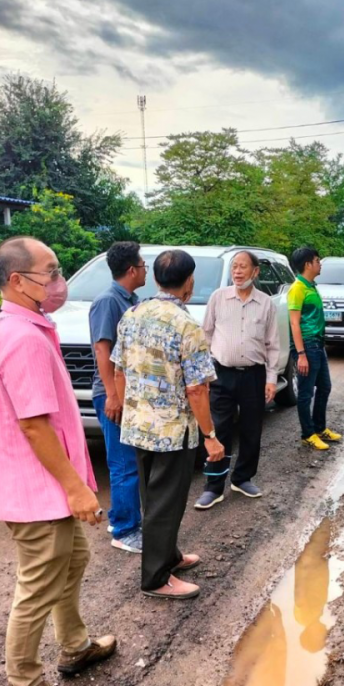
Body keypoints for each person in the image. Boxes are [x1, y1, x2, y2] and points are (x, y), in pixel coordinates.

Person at [0, 237, 116, 686]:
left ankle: (75, 645)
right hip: (35, 489)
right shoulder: (22, 338)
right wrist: (76, 486)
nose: (60, 282)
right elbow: (35, 425)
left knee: (73, 558)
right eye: (52, 272)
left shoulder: (29, 327)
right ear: (18, 281)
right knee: (39, 581)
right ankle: (23, 684)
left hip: (43, 486)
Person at [112, 249, 225, 600]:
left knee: (152, 497)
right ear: (189, 281)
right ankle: (156, 578)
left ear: (158, 279)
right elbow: (197, 389)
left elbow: (119, 370)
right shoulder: (186, 325)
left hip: (139, 426)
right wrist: (211, 436)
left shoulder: (132, 313)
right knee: (166, 503)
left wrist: (129, 412)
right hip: (172, 432)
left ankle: (169, 556)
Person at [195, 250, 281, 510]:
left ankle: (242, 478)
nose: (238, 271)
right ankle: (213, 487)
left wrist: (271, 379)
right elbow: (206, 335)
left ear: (255, 272)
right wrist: (205, 373)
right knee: (218, 429)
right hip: (221, 374)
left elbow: (273, 344)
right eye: (235, 267)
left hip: (253, 375)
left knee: (252, 429)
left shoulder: (266, 303)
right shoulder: (218, 298)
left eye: (243, 267)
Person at [89, 242, 146, 553]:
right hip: (113, 394)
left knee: (127, 461)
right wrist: (113, 395)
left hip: (126, 392)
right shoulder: (108, 301)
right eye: (143, 264)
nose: (146, 269)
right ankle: (125, 531)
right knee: (124, 464)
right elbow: (102, 349)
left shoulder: (132, 299)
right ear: (131, 270)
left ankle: (119, 517)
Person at [289, 246, 342, 451]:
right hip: (307, 346)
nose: (320, 264)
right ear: (308, 264)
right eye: (317, 260)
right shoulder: (297, 288)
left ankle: (319, 428)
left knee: (325, 386)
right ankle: (307, 434)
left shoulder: (311, 286)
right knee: (305, 392)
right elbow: (294, 323)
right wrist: (301, 354)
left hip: (318, 344)